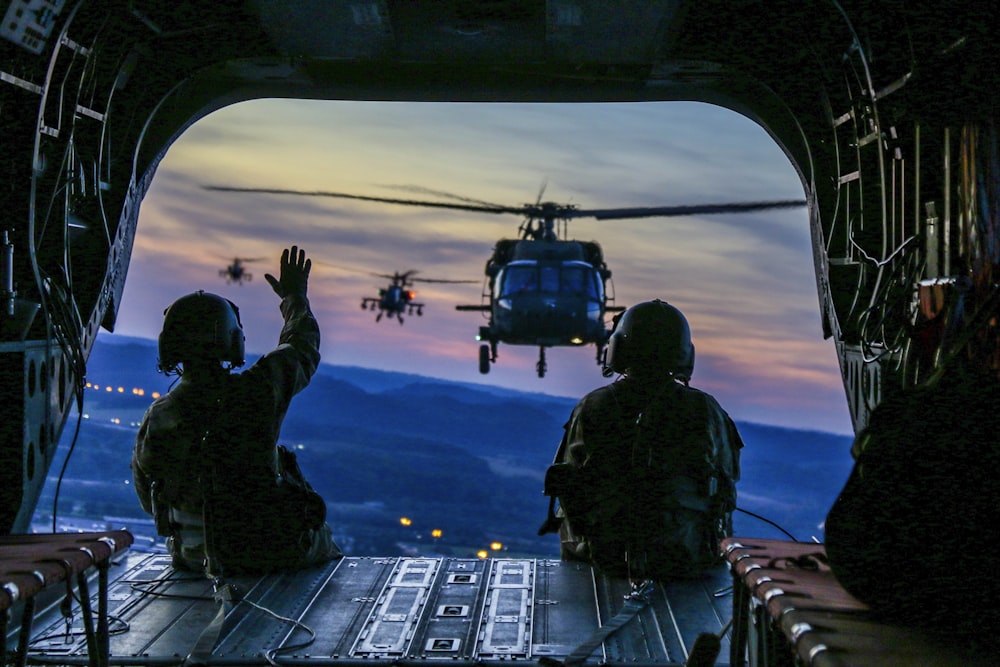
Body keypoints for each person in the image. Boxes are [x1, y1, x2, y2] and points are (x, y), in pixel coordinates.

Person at [131, 246, 341, 576]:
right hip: (264, 553)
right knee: (322, 538)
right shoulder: (257, 391)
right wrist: (294, 299)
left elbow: (149, 498)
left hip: (192, 557)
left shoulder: (158, 416)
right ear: (232, 339)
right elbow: (301, 348)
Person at [540, 299, 743, 581]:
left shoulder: (594, 405)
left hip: (602, 558)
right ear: (684, 352)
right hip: (687, 557)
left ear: (620, 348)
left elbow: (571, 483)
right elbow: (726, 480)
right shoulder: (704, 409)